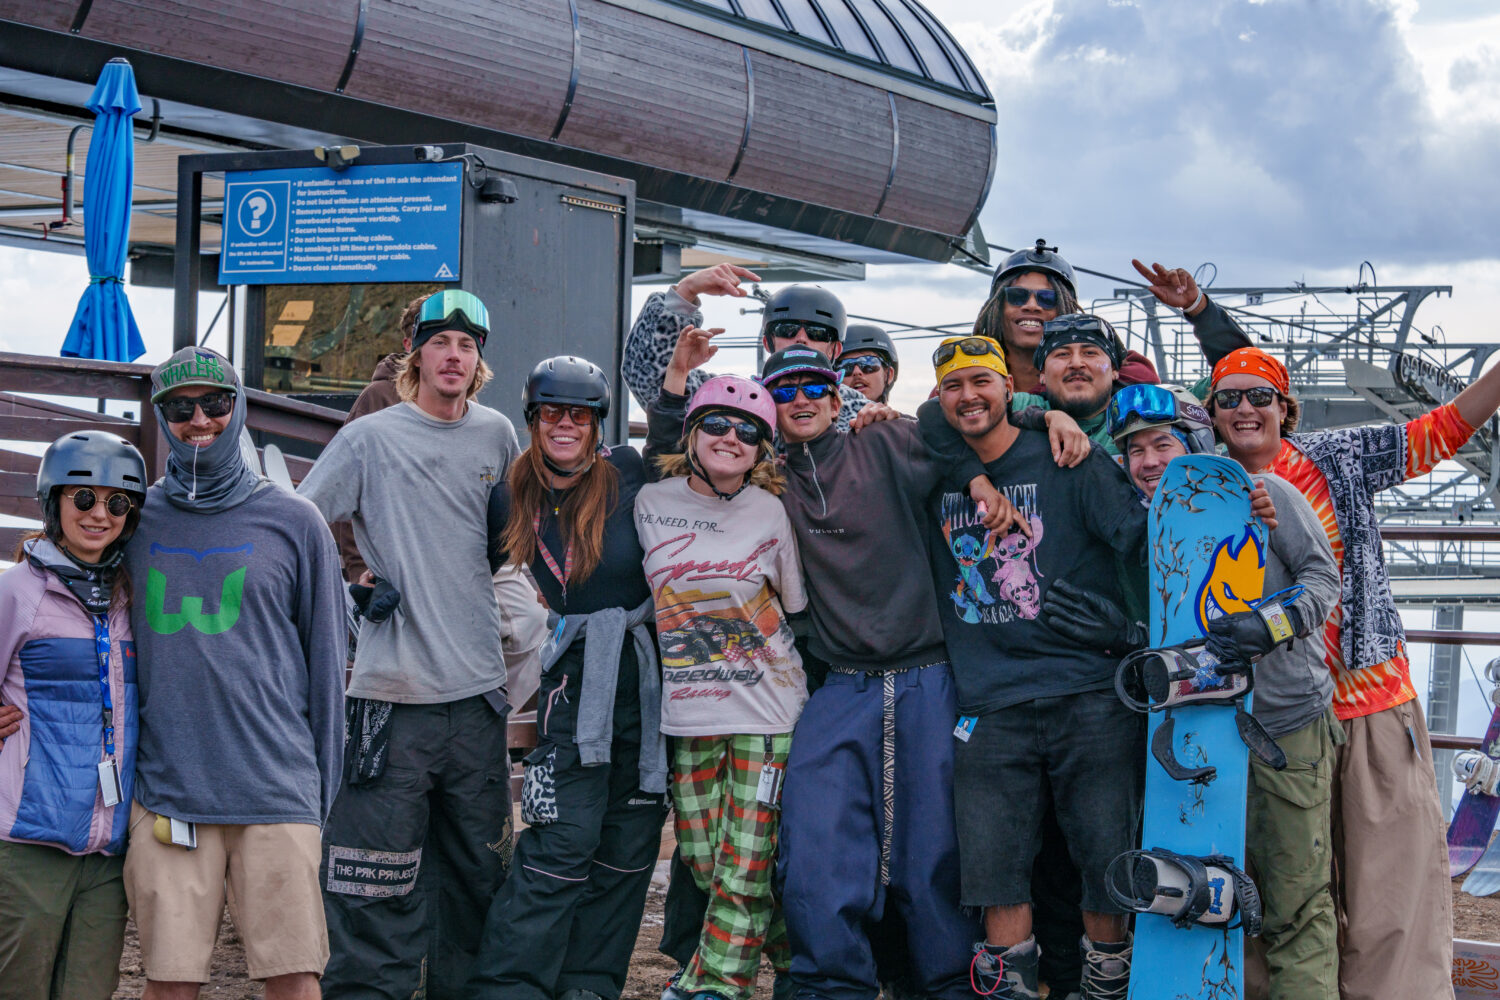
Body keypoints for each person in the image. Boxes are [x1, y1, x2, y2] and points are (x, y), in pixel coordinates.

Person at [1205, 345, 1500, 1000]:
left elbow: (1445, 429)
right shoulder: (1194, 483)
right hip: (1263, 718)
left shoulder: (1336, 458)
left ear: (1287, 408)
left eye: (1262, 397)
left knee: (1387, 894)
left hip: (1366, 703)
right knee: (1274, 891)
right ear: (1211, 414)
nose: (1246, 409)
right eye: (1229, 398)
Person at [759, 345, 1017, 1000]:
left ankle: (945, 987)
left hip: (926, 671)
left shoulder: (882, 439)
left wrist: (1013, 449)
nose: (801, 400)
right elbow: (687, 442)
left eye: (814, 386)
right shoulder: (768, 481)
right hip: (840, 680)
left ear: (835, 391)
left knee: (931, 855)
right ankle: (828, 985)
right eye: (783, 390)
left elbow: (968, 425)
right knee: (815, 849)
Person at [298, 289, 521, 1000]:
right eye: (440, 342)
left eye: (467, 344)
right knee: (373, 881)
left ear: (479, 358)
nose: (454, 355)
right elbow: (301, 531)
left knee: (477, 873)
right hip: (389, 699)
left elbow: (506, 544)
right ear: (415, 353)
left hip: (478, 695)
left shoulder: (497, 436)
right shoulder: (371, 437)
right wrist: (352, 585)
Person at [1089, 383, 1343, 1000]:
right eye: (1134, 451)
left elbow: (1323, 580)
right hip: (1193, 740)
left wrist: (1271, 623)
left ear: (1195, 444)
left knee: (1293, 903)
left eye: (1162, 443)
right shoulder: (1143, 529)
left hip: (1283, 729)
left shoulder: (1265, 497)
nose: (1149, 461)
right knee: (1198, 898)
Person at [916, 335, 1148, 1000]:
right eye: (954, 385)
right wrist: (975, 478)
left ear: (1007, 389)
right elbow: (925, 422)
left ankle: (1105, 985)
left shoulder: (1068, 456)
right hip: (989, 702)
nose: (969, 397)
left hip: (1090, 693)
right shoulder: (939, 470)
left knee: (1105, 859)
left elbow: (1145, 540)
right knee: (994, 870)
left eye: (981, 382)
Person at [123, 345, 345, 1000]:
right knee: (168, 981)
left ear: (238, 407)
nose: (200, 421)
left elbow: (328, 670)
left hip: (276, 790)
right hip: (167, 792)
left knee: (295, 979)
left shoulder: (295, 521)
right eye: (181, 407)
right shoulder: (134, 521)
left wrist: (317, 798)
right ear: (163, 417)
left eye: (215, 404)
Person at [471, 356, 670, 1000]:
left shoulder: (630, 473)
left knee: (628, 846)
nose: (565, 425)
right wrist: (375, 576)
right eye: (551, 412)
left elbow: (678, 436)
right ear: (532, 419)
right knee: (560, 843)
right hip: (573, 680)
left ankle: (589, 983)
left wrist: (681, 308)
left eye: (578, 414)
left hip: (645, 675)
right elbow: (457, 559)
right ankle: (511, 984)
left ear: (597, 423)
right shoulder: (510, 493)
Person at [638, 326, 807, 1000]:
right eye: (717, 424)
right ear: (693, 432)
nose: (730, 438)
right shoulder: (651, 505)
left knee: (745, 861)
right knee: (709, 863)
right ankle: (802, 954)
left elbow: (791, 602)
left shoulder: (770, 513)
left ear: (760, 448)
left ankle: (715, 987)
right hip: (688, 714)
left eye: (745, 431)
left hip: (767, 711)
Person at [0, 432, 146, 999]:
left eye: (117, 503)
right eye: (84, 498)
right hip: (28, 844)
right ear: (54, 500)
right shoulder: (18, 593)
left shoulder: (134, 598)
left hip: (108, 854)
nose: (99, 514)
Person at [623, 264, 871, 431]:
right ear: (767, 342)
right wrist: (686, 291)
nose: (801, 339)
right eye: (787, 330)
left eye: (817, 332)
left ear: (835, 350)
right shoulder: (735, 398)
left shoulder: (860, 414)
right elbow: (648, 379)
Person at [837, 323, 899, 404]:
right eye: (845, 366)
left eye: (868, 363)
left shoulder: (902, 417)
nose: (857, 371)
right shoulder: (821, 416)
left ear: (888, 375)